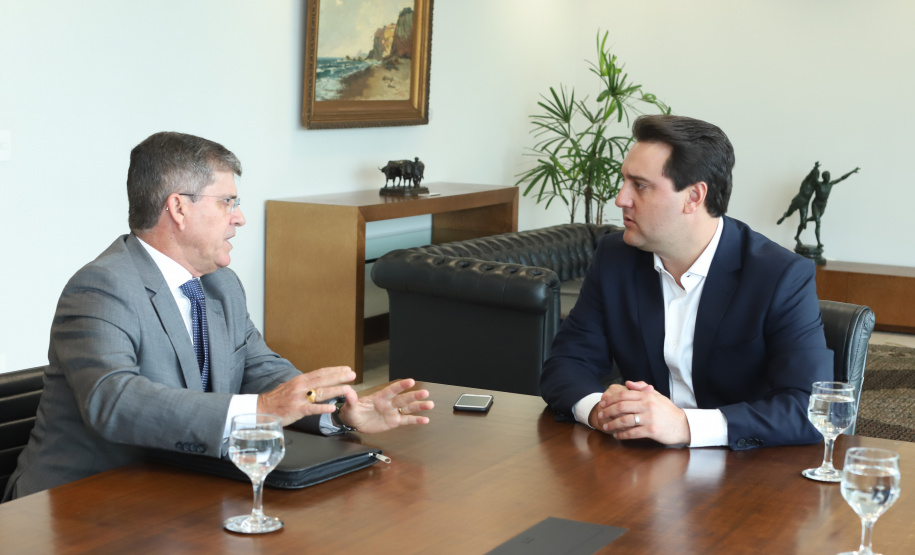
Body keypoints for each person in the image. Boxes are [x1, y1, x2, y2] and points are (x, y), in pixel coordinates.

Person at [4, 132, 434, 501]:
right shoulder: (102, 287)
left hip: (178, 492)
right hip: (77, 503)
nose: (239, 217)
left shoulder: (220, 284)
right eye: (228, 201)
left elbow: (259, 369)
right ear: (178, 208)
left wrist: (339, 410)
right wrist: (261, 409)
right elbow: (114, 400)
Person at [539, 114, 833, 450]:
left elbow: (811, 408)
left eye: (640, 185)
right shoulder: (615, 258)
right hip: (640, 463)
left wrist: (685, 426)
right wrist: (603, 411)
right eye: (624, 181)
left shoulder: (779, 275)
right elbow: (566, 365)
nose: (621, 199)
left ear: (694, 196)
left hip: (746, 465)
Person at [807, 166, 860, 247]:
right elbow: (813, 177)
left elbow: (842, 178)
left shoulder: (831, 184)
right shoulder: (818, 184)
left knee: (815, 218)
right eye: (826, 176)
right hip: (816, 204)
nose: (828, 177)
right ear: (823, 177)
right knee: (818, 222)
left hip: (823, 205)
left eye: (829, 176)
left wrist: (852, 171)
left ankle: (806, 220)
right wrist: (815, 168)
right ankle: (819, 243)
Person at [776, 161, 820, 245]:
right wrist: (815, 168)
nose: (817, 177)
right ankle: (784, 216)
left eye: (818, 175)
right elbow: (809, 176)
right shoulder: (806, 182)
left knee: (803, 222)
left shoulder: (815, 186)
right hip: (798, 200)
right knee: (789, 213)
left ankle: (797, 236)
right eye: (816, 175)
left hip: (805, 204)